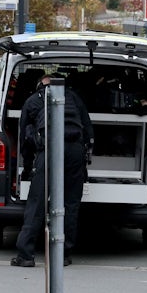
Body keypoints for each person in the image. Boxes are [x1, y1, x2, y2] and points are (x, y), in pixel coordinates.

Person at [11, 75, 94, 268]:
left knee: (37, 203)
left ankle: (26, 255)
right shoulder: (73, 97)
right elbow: (88, 129)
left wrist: (28, 167)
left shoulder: (33, 100)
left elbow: (25, 136)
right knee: (70, 204)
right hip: (75, 150)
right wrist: (84, 163)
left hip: (49, 150)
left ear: (39, 85)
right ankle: (63, 255)